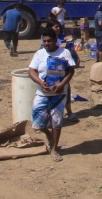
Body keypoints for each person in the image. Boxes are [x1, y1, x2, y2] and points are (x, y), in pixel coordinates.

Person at [28, 28, 76, 162]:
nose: (46, 43)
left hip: (59, 94)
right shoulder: (39, 54)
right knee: (37, 123)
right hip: (42, 93)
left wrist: (62, 85)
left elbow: (71, 71)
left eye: (49, 41)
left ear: (55, 40)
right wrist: (40, 82)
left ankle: (54, 148)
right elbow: (31, 71)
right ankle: (49, 136)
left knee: (56, 122)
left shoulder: (64, 52)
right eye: (44, 41)